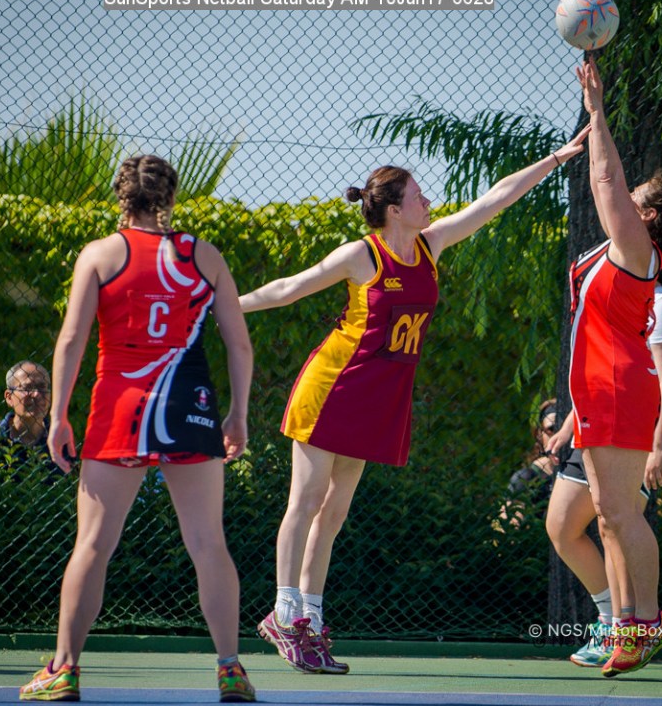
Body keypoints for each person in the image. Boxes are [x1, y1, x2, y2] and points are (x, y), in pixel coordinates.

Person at [239, 127, 591, 675]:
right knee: (305, 503)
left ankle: (309, 621)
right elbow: (288, 288)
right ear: (394, 210)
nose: (429, 201)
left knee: (333, 515)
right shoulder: (361, 255)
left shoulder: (431, 245)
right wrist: (222, 305)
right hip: (332, 387)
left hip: (378, 399)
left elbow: (495, 199)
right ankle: (284, 612)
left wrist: (555, 159)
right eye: (419, 195)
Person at [18, 155, 256, 703]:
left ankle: (64, 670)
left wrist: (58, 416)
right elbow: (239, 344)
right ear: (170, 197)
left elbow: (71, 340)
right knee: (209, 544)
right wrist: (238, 413)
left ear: (120, 196)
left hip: (120, 409)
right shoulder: (204, 256)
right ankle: (230, 669)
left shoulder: (100, 254)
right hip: (190, 409)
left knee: (93, 545)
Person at [559, 55, 662, 677]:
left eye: (637, 198)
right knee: (610, 519)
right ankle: (628, 627)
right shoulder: (622, 250)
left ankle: (648, 619)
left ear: (647, 217)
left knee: (621, 514)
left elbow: (605, 180)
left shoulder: (637, 247)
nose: (626, 194)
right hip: (597, 391)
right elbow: (610, 187)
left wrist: (597, 112)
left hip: (618, 388)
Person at [545, 268, 662, 668]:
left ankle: (631, 628)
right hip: (595, 425)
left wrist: (659, 446)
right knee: (561, 525)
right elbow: (605, 371)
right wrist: (569, 426)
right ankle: (611, 618)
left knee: (614, 525)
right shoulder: (617, 304)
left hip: (639, 433)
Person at [0, 360, 62, 482]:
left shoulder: (61, 441)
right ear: (9, 397)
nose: (36, 394)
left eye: (42, 387)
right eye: (27, 388)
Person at [501, 399, 559, 528]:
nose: (558, 436)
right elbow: (508, 529)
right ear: (539, 434)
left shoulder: (586, 471)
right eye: (552, 429)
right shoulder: (526, 478)